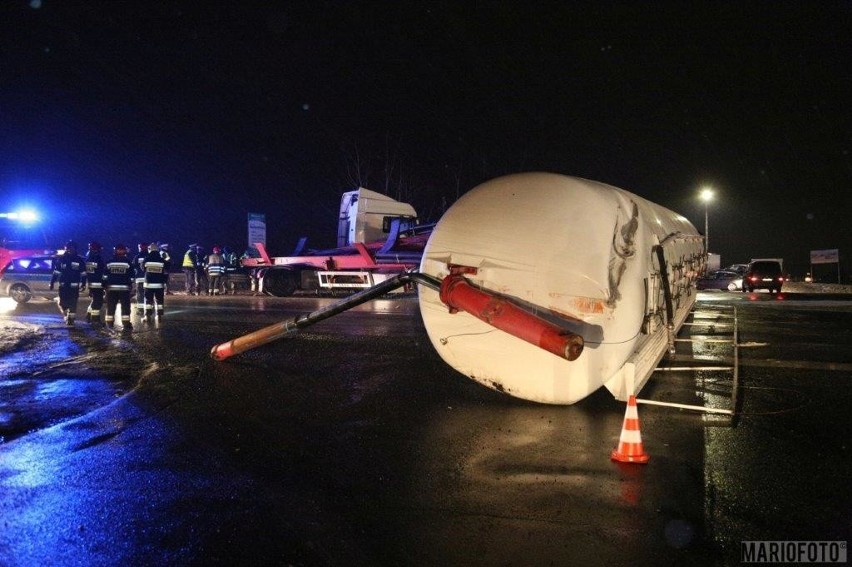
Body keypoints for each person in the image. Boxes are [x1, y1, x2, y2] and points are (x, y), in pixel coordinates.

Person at [49, 240, 86, 326]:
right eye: (68, 248)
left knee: (73, 303)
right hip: (63, 286)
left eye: (72, 248)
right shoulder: (62, 259)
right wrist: (52, 282)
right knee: (63, 303)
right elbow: (56, 272)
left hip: (74, 286)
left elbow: (83, 273)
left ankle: (71, 319)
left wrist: (83, 283)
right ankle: (67, 311)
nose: (70, 250)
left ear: (75, 249)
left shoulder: (79, 260)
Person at [104, 243, 135, 330]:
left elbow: (104, 276)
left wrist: (105, 285)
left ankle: (109, 324)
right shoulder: (128, 262)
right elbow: (132, 276)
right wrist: (130, 284)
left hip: (111, 288)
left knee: (110, 306)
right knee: (125, 306)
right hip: (124, 288)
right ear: (124, 251)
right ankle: (126, 324)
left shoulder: (109, 261)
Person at [82, 241, 106, 324]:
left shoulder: (88, 257)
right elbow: (102, 270)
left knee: (95, 299)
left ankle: (89, 315)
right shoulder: (97, 257)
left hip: (92, 282)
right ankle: (95, 319)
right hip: (98, 282)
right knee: (98, 301)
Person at [142, 242, 167, 321]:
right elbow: (167, 267)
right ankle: (159, 316)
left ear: (150, 249)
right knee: (159, 300)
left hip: (149, 284)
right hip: (159, 284)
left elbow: (142, 268)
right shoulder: (161, 259)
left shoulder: (146, 259)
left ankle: (147, 316)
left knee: (148, 300)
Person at [132, 242, 148, 315]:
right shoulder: (149, 256)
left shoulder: (137, 257)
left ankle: (140, 309)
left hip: (139, 279)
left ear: (140, 248)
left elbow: (133, 267)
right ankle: (148, 309)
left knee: (140, 294)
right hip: (148, 278)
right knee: (148, 294)